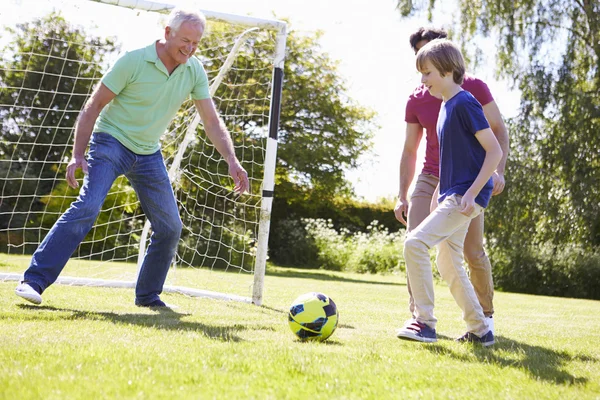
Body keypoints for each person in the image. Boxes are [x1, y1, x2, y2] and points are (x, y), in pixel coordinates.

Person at [15, 9, 249, 308]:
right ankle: (33, 281)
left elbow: (212, 121)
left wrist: (231, 159)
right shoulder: (133, 61)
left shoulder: (194, 70)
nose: (190, 48)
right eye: (185, 40)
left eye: (196, 43)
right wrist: (76, 155)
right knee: (88, 205)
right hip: (111, 142)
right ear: (167, 33)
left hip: (148, 152)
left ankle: (148, 296)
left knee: (170, 227)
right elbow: (93, 106)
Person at [394, 27, 509, 332]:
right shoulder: (444, 105)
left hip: (465, 195)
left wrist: (473, 192)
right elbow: (434, 157)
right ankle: (480, 328)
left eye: (427, 72)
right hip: (448, 191)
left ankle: (425, 322)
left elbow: (494, 149)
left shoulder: (466, 101)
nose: (422, 79)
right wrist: (435, 196)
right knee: (447, 261)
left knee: (416, 244)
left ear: (446, 69)